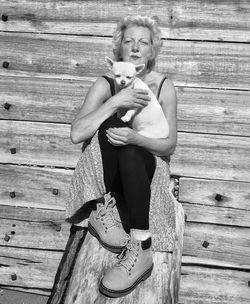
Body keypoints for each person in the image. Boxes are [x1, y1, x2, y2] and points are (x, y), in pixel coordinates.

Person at [67, 15, 177, 298]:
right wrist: (116, 101)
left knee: (130, 150)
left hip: (145, 169)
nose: (136, 47)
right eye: (129, 41)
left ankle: (140, 249)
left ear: (153, 51)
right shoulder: (105, 83)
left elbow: (168, 145)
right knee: (110, 123)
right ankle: (103, 210)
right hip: (109, 174)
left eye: (144, 42)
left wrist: (136, 138)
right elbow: (78, 133)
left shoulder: (163, 86)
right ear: (119, 50)